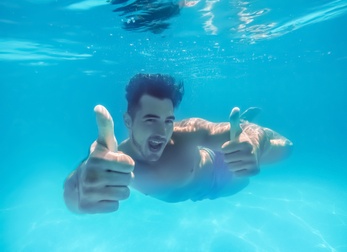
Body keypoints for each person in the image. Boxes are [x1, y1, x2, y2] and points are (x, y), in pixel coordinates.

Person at [63, 74, 293, 214]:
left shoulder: (186, 134)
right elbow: (78, 186)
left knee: (279, 147)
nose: (162, 132)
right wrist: (78, 188)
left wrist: (253, 142)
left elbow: (283, 145)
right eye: (150, 120)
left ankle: (243, 122)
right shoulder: (117, 161)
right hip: (201, 190)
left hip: (223, 174)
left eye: (169, 121)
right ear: (128, 121)